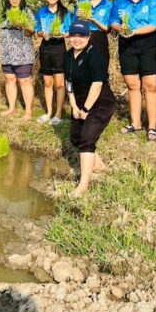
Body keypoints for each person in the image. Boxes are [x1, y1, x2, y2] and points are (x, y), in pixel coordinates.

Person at [110, 0, 156, 140]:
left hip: (148, 44)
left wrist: (134, 31)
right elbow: (113, 22)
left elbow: (154, 24)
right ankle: (136, 123)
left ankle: (152, 126)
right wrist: (120, 28)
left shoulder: (152, 0)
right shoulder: (120, 1)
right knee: (133, 85)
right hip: (127, 45)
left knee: (151, 86)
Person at [65, 19, 116, 198]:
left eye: (82, 35)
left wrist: (85, 109)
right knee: (75, 137)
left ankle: (82, 186)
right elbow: (68, 82)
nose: (77, 39)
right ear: (69, 36)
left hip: (100, 104)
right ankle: (98, 163)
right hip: (80, 104)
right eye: (74, 35)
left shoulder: (94, 55)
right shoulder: (69, 55)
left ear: (89, 36)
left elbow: (97, 84)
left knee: (86, 139)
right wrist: (73, 106)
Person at [35, 0, 72, 125]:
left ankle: (58, 114)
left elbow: (70, 32)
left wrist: (62, 35)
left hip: (59, 49)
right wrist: (41, 33)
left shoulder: (65, 12)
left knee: (59, 83)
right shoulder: (41, 12)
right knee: (48, 82)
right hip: (45, 48)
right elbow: (37, 31)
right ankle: (49, 112)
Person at [0, 0, 36, 119]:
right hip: (6, 52)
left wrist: (23, 24)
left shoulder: (26, 11)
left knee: (25, 81)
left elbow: (32, 31)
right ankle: (12, 108)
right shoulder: (3, 12)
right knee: (9, 79)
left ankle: (28, 112)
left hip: (23, 53)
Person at [73, 0, 113, 67]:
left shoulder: (109, 5)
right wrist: (79, 18)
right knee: (81, 69)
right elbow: (73, 25)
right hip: (82, 37)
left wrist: (94, 21)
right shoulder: (82, 2)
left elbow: (107, 29)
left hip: (99, 40)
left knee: (100, 70)